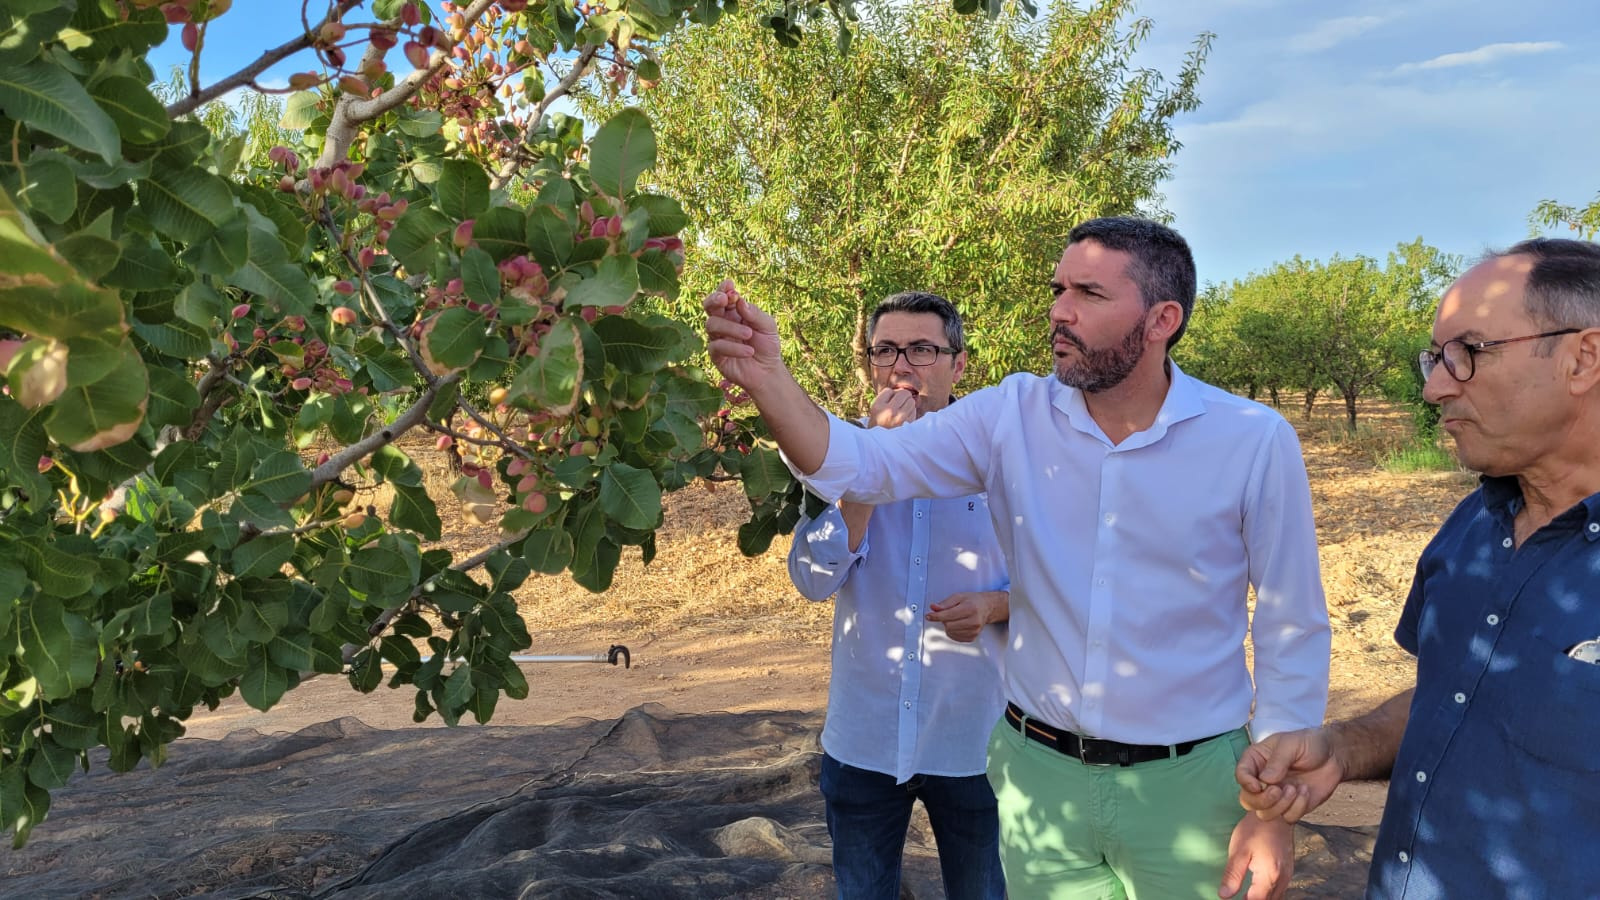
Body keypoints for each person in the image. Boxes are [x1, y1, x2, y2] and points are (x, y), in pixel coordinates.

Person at [706, 216, 1331, 900]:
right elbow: (860, 464)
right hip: (1041, 786)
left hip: (1191, 786)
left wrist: (1273, 813)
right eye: (1059, 289)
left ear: (1161, 320)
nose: (1059, 312)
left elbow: (1290, 626)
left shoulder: (1251, 440)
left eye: (1089, 294)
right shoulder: (1012, 416)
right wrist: (767, 378)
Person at [1235, 238, 1600, 899]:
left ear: (1585, 358)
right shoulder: (1471, 526)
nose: (1433, 387)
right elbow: (1457, 695)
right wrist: (1344, 746)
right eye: (1433, 358)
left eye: (1468, 353)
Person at [787, 290, 1010, 900]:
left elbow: (1060, 582)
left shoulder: (1003, 461)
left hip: (974, 738)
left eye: (922, 349)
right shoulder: (833, 454)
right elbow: (811, 579)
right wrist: (868, 469)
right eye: (885, 350)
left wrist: (994, 607)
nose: (901, 366)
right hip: (865, 734)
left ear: (958, 364)